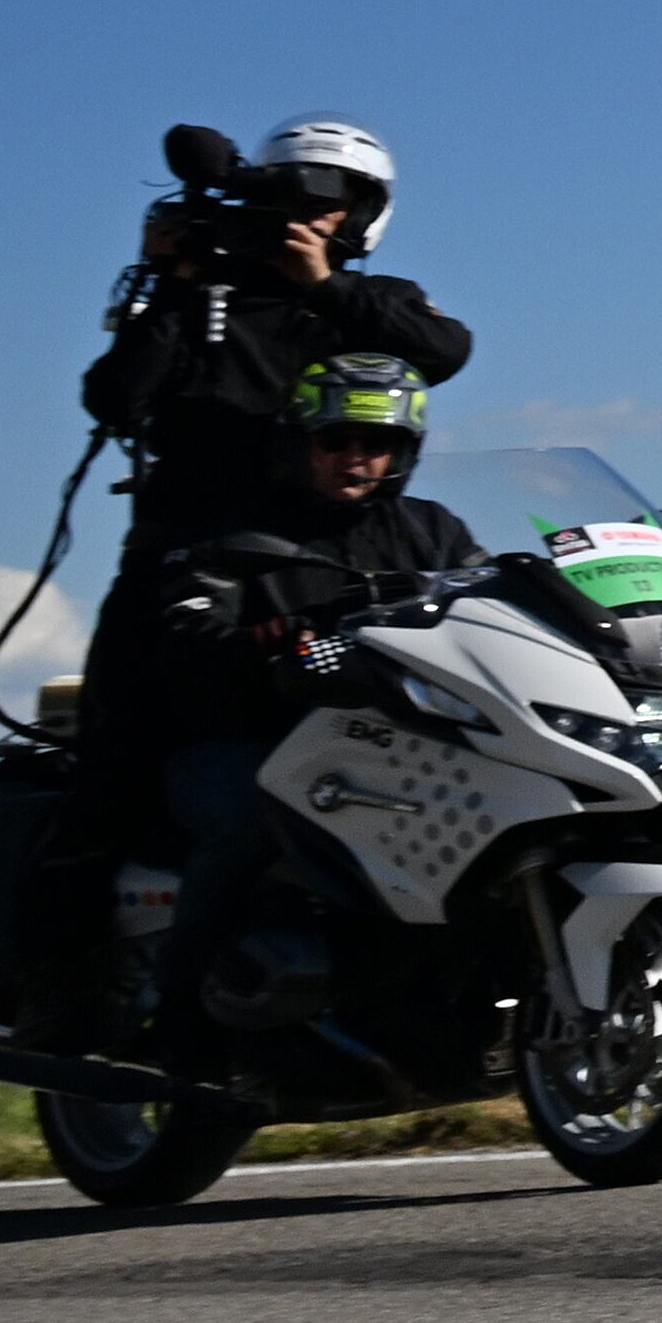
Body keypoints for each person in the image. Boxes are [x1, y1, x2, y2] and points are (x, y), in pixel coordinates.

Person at [74, 114, 471, 764]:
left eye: (327, 205)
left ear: (361, 213)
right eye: (290, 202)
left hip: (331, 567)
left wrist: (324, 286)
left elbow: (447, 350)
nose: (306, 220)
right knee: (113, 777)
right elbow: (115, 399)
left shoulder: (371, 300)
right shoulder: (202, 298)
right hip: (188, 563)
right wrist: (174, 281)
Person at [137, 353, 483, 1080]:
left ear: (402, 453)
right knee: (258, 809)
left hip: (389, 743)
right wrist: (261, 640)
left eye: (375, 444)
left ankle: (425, 996)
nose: (356, 459)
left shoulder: (432, 532)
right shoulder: (242, 526)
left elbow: (489, 602)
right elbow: (186, 620)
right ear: (304, 441)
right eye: (337, 441)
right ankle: (179, 1010)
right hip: (244, 743)